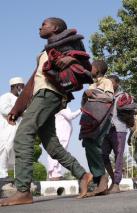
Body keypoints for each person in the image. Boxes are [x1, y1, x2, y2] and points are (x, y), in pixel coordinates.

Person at [0, 17, 93, 207]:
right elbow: (32, 82)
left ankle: (23, 191)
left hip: (49, 94)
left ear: (56, 27)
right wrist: (17, 109)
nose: (40, 27)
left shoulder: (68, 43)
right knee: (52, 146)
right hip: (42, 95)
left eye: (45, 24)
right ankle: (83, 175)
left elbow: (85, 64)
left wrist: (71, 59)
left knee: (23, 135)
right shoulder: (44, 52)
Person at [81, 60, 114, 197]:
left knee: (94, 145)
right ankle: (99, 180)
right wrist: (85, 96)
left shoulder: (107, 82)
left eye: (92, 66)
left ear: (99, 69)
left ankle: (102, 179)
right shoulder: (92, 84)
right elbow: (85, 104)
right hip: (90, 118)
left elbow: (109, 97)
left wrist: (92, 94)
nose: (90, 68)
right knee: (88, 144)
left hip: (102, 118)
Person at [101, 75, 133, 193]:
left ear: (117, 84)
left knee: (118, 156)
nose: (109, 85)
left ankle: (116, 183)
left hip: (119, 129)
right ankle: (113, 178)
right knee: (103, 154)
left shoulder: (123, 96)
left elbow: (129, 112)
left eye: (111, 83)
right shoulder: (104, 96)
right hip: (106, 130)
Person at [47, 106, 81, 180]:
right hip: (61, 133)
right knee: (58, 152)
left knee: (60, 152)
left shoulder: (63, 106)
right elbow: (70, 116)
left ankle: (55, 173)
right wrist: (81, 110)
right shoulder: (62, 107)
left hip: (62, 133)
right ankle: (55, 174)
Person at [0, 77, 24, 180]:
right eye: (20, 86)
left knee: (19, 151)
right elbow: (5, 110)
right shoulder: (5, 96)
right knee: (6, 148)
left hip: (20, 128)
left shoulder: (22, 99)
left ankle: (19, 176)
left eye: (23, 86)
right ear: (13, 86)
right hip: (8, 128)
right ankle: (3, 174)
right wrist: (20, 111)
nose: (21, 88)